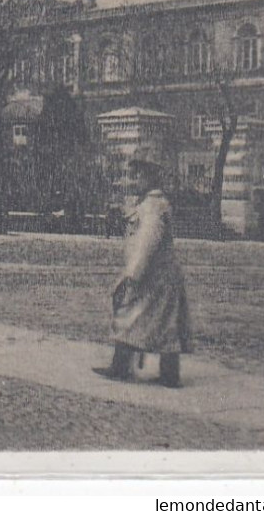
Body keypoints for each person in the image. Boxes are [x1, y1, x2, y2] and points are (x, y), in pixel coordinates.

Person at [95, 148, 193, 388]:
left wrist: (132, 274)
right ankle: (169, 374)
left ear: (152, 177)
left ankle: (121, 367)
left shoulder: (152, 207)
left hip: (152, 276)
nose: (134, 180)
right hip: (160, 275)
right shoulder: (153, 204)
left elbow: (147, 242)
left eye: (138, 175)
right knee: (164, 323)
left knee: (129, 315)